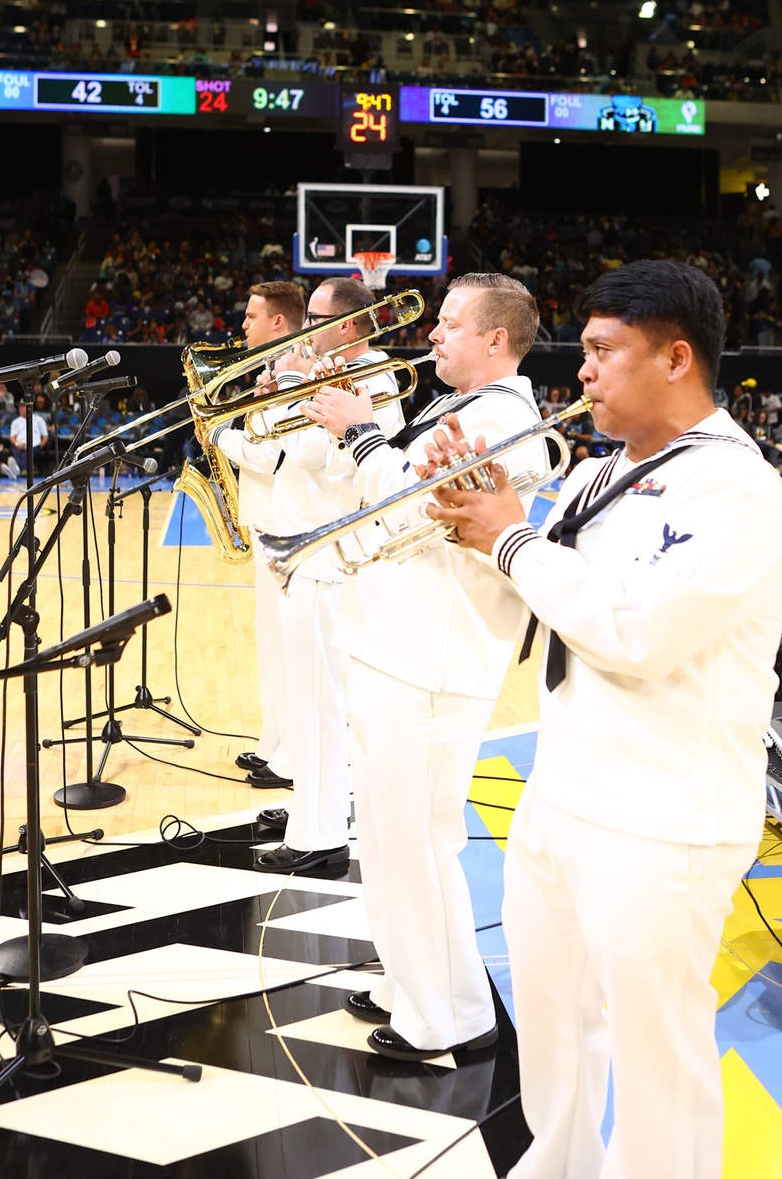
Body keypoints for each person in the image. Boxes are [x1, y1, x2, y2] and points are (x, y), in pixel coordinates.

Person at [426, 259, 782, 1179]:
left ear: (677, 358)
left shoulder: (738, 489)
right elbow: (547, 606)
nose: (585, 372)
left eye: (605, 351)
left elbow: (636, 633)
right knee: (554, 1025)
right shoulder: (603, 473)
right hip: (564, 791)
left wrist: (511, 535)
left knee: (656, 1059)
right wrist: (471, 521)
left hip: (663, 815)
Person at [304, 273, 548, 1060]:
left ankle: (449, 1017)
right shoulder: (457, 408)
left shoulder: (511, 421)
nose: (433, 335)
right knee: (384, 833)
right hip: (398, 641)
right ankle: (410, 980)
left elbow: (411, 505)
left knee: (413, 837)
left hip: (433, 656)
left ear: (495, 341)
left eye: (449, 324)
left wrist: (364, 431)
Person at [230, 275, 404, 875]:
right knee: (306, 700)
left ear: (349, 326)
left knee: (319, 704)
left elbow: (305, 457)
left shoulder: (374, 382)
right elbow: (275, 444)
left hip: (327, 558)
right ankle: (313, 802)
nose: (304, 328)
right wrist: (275, 394)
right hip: (300, 551)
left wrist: (299, 391)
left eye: (314, 318)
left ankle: (320, 834)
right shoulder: (328, 373)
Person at [207, 280, 306, 790]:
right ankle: (274, 743)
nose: (242, 324)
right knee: (271, 646)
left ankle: (291, 757)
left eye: (251, 316)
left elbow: (271, 454)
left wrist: (221, 433)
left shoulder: (296, 371)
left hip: (287, 526)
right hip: (270, 521)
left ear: (278, 323)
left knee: (288, 650)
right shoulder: (273, 368)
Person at [7, 401, 49, 476]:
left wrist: (40, 446)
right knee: (15, 451)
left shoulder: (39, 420)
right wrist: (17, 444)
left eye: (23, 406)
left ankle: (16, 471)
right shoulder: (15, 422)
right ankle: (16, 469)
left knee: (26, 454)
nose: (20, 408)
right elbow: (12, 437)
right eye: (20, 406)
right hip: (20, 444)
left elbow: (45, 436)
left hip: (35, 445)